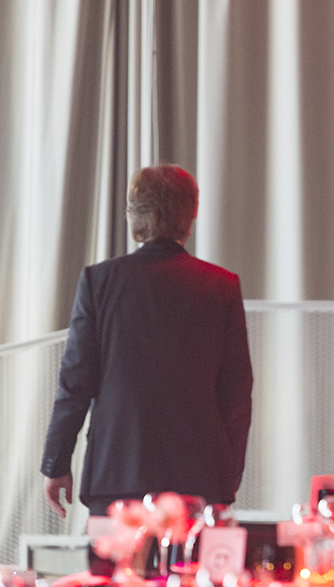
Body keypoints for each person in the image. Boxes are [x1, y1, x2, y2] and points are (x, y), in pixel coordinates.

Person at [41, 165, 253, 518]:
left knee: (112, 558)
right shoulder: (221, 286)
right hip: (200, 480)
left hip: (116, 475)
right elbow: (237, 393)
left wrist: (56, 462)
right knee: (194, 558)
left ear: (134, 216)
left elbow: (75, 382)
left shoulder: (99, 282)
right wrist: (228, 473)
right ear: (191, 215)